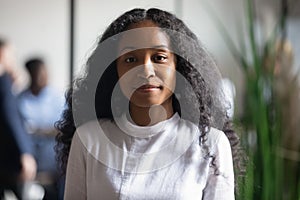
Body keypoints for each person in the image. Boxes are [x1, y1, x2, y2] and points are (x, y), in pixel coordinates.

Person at [55, 8, 242, 199]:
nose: (146, 70)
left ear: (179, 66)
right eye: (130, 59)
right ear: (115, 71)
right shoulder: (89, 139)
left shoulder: (211, 144)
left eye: (159, 57)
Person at [18, 58, 65, 199]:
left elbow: (64, 128)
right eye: (37, 73)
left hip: (55, 166)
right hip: (31, 169)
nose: (42, 76)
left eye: (44, 72)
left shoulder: (58, 98)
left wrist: (40, 131)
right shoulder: (21, 99)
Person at [0, 38, 37, 199]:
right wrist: (24, 153)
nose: (14, 59)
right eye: (11, 54)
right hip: (9, 157)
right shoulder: (3, 80)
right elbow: (10, 117)